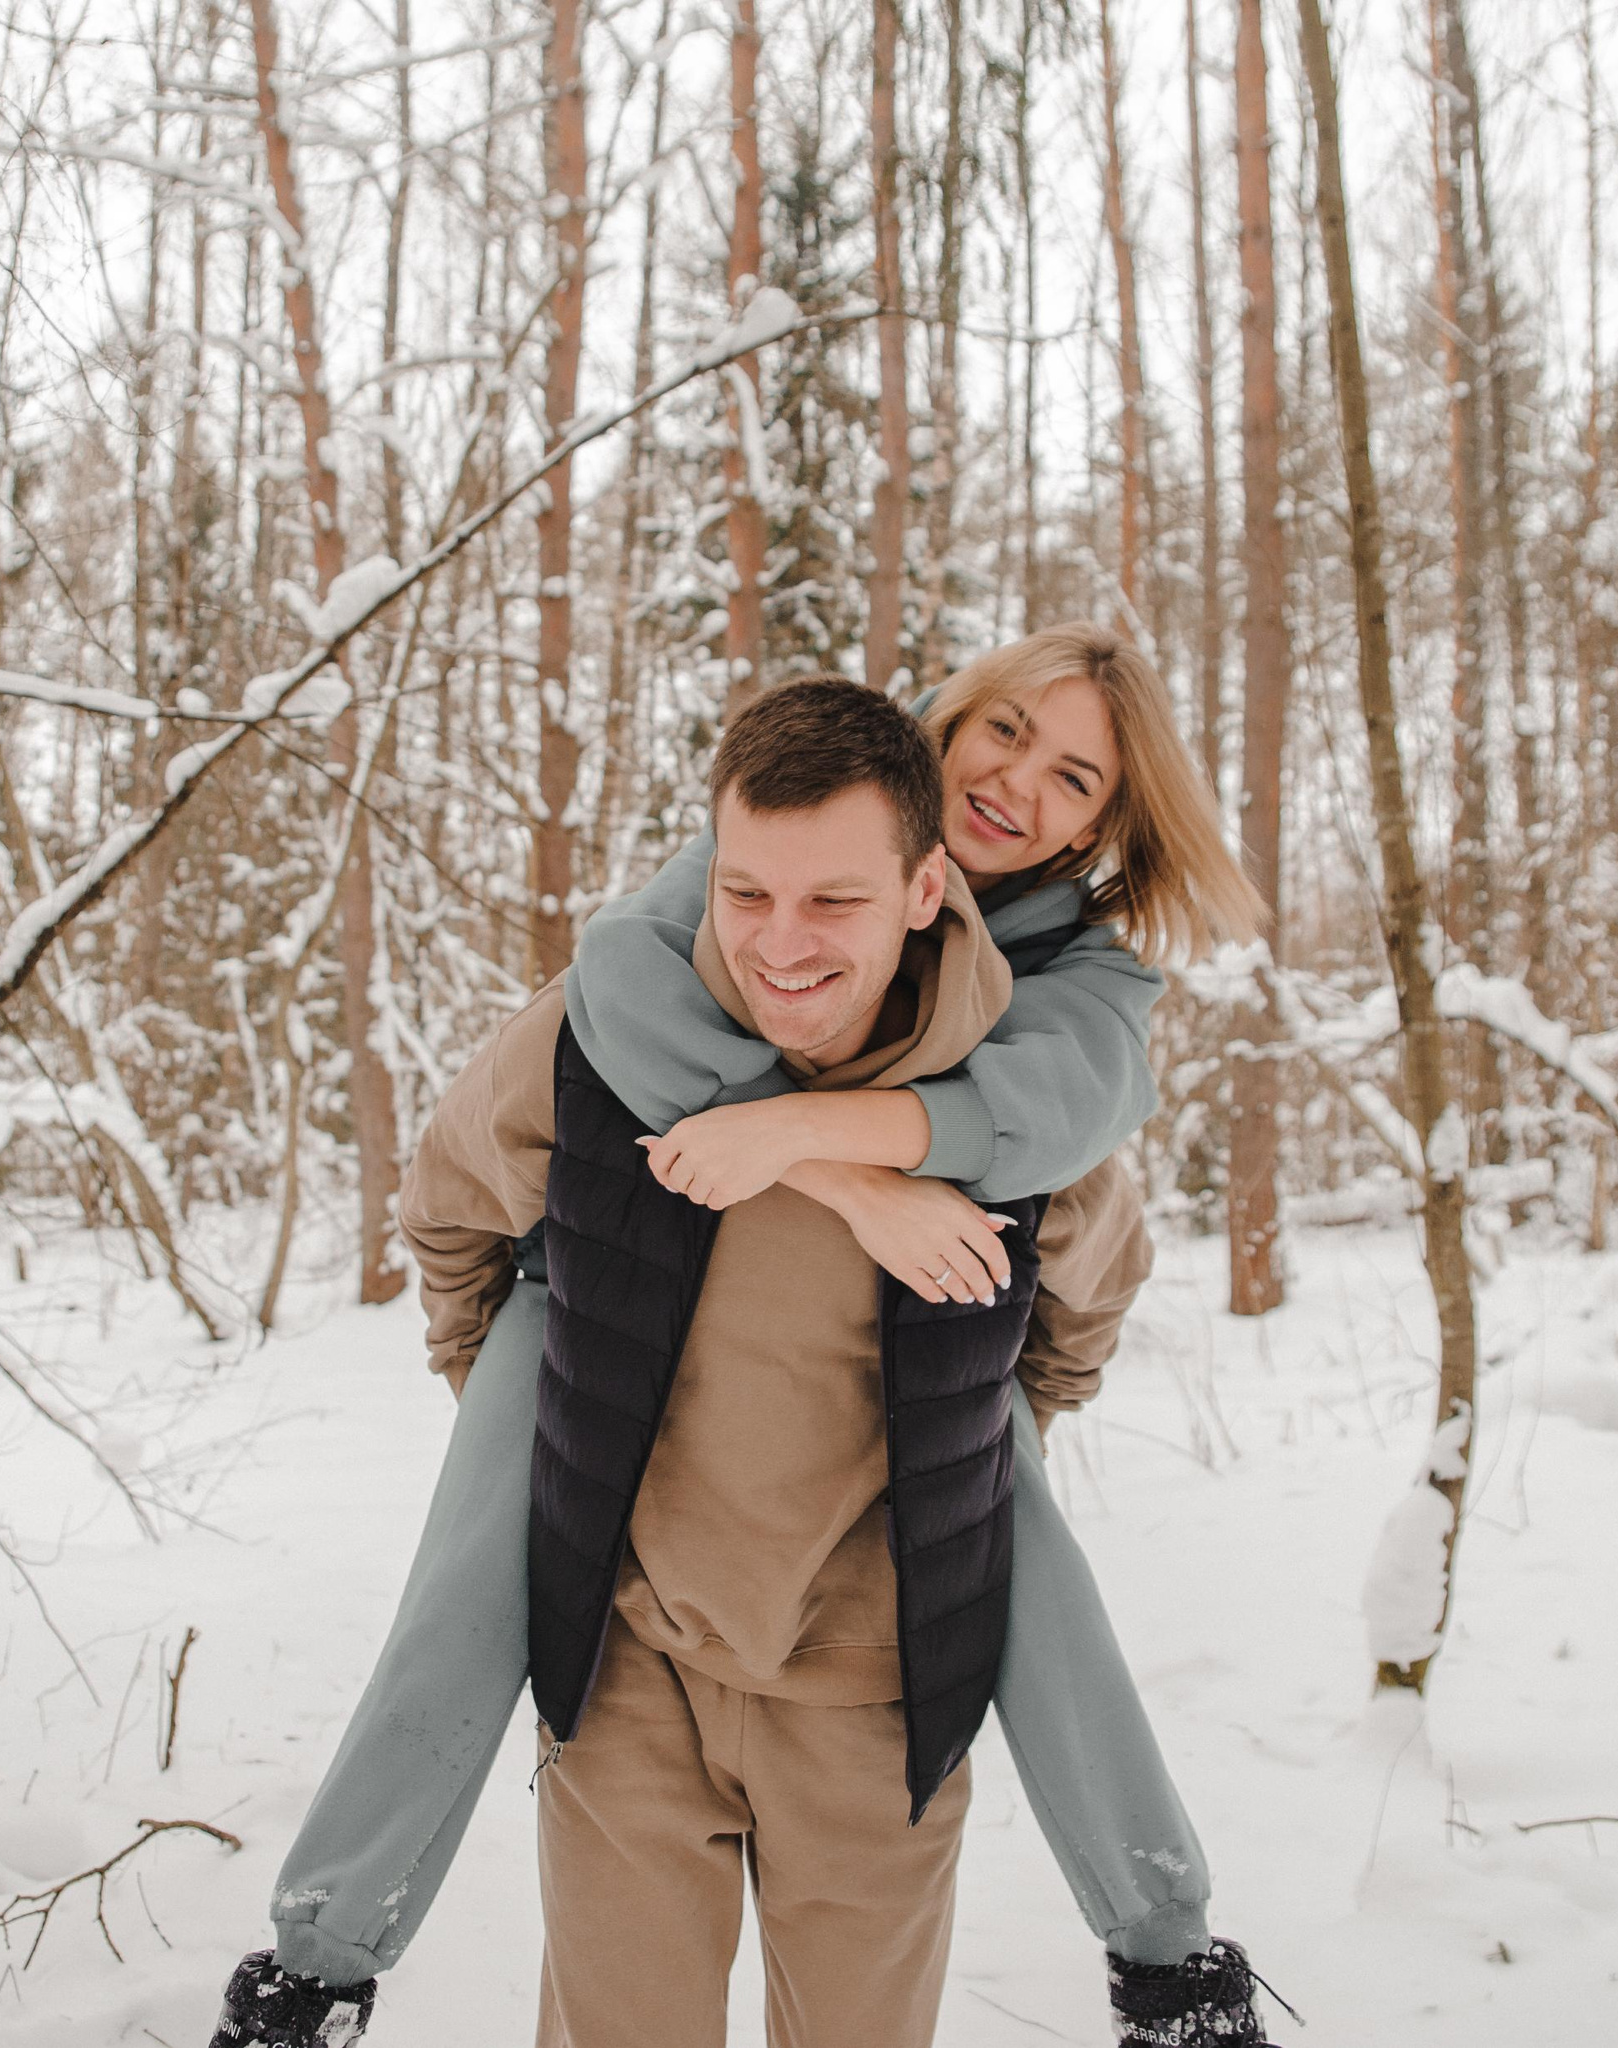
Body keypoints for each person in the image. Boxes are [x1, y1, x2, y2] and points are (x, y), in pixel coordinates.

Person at [213, 645, 1270, 2046]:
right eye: (1004, 732)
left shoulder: (1046, 1062)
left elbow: (1077, 1297)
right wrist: (540, 1393)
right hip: (634, 1670)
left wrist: (958, 1424)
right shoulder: (680, 951)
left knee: (1030, 1549)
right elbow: (489, 1157)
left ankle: (1167, 1956)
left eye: (1072, 774)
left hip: (879, 1691)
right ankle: (321, 1964)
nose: (786, 938)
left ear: (923, 890)